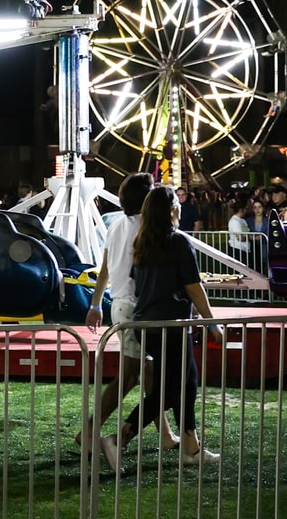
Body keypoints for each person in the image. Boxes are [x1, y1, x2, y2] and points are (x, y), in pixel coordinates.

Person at [98, 186, 223, 468]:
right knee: (172, 390)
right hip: (171, 324)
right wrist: (212, 322)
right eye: (175, 204)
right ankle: (119, 438)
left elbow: (137, 283)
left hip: (148, 324)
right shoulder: (177, 242)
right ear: (170, 211)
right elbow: (193, 287)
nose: (179, 208)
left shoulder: (142, 242)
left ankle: (191, 447)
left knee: (186, 384)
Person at [79, 173, 178, 452]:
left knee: (147, 374)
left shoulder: (117, 225)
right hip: (138, 306)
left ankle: (166, 435)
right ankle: (89, 430)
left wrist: (96, 304)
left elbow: (106, 267)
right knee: (129, 377)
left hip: (120, 305)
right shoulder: (147, 228)